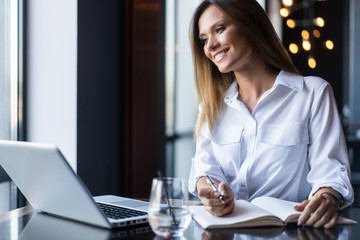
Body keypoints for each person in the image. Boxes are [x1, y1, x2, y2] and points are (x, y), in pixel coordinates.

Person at [188, 0, 354, 229]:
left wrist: (327, 197)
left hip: (293, 232)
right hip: (226, 231)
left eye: (220, 29)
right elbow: (204, 170)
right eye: (204, 39)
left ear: (250, 25)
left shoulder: (313, 93)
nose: (210, 45)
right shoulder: (211, 105)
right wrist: (211, 191)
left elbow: (330, 174)